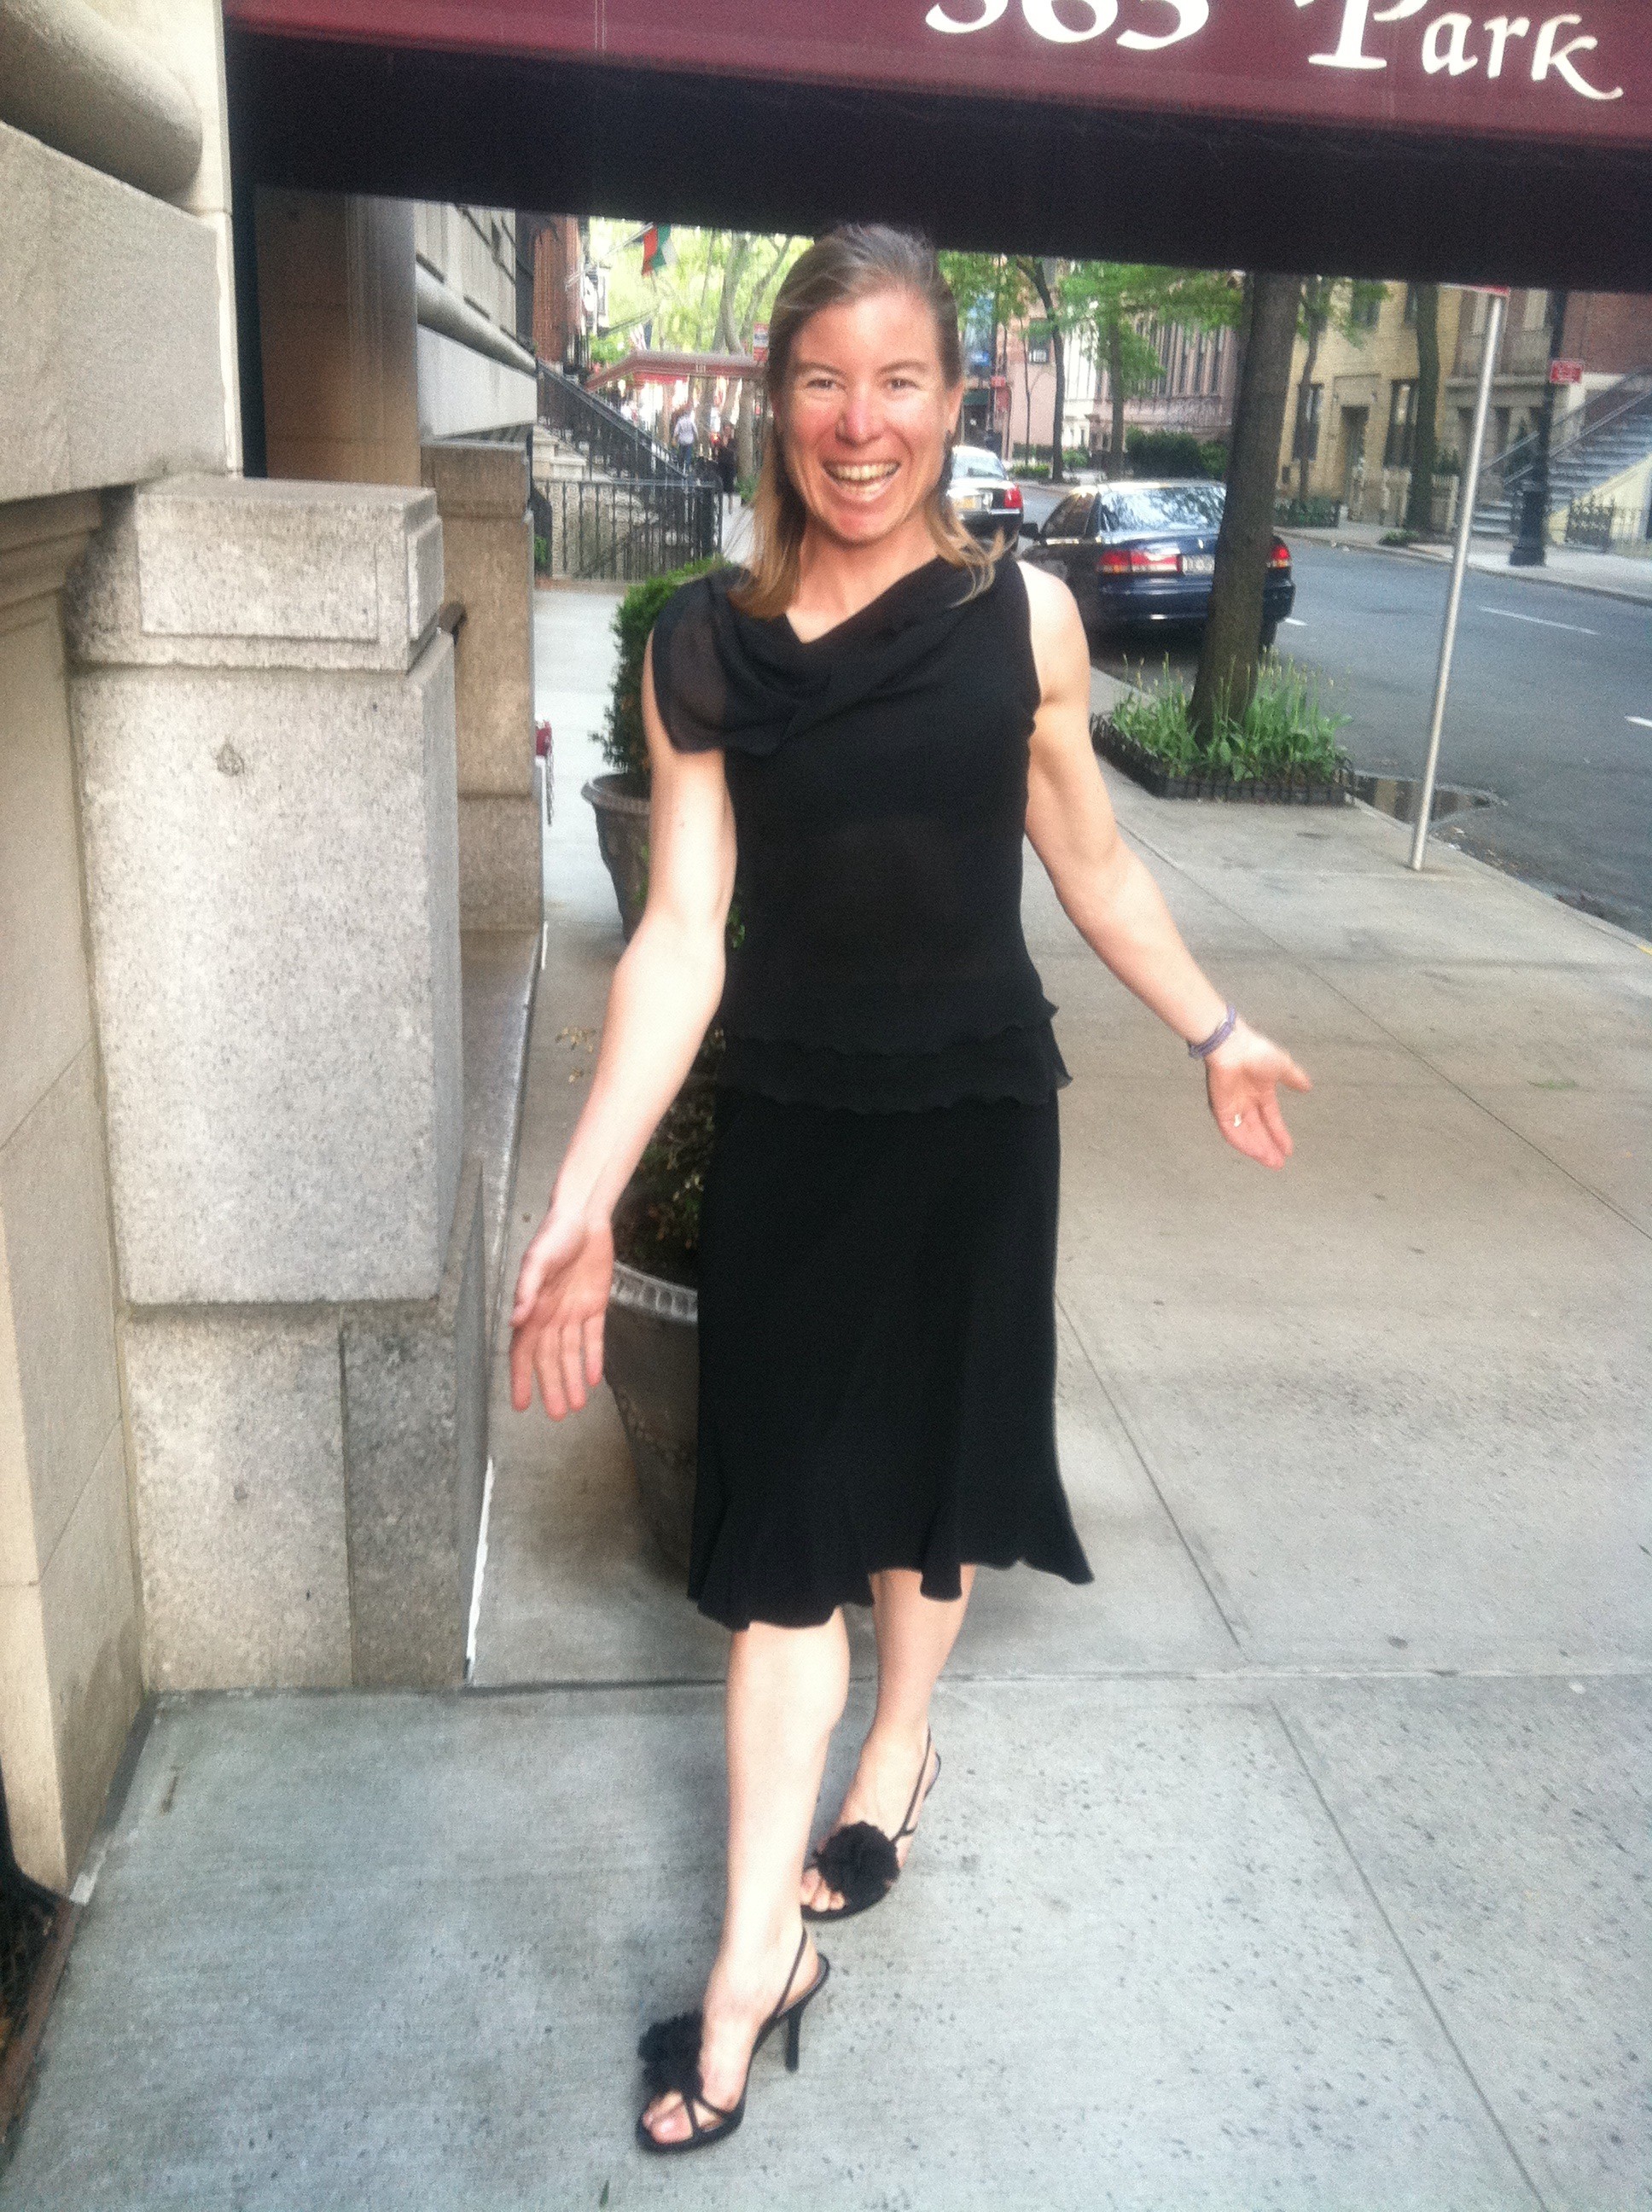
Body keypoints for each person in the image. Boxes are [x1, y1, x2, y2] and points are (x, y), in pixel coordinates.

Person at [509, 225, 1311, 2156]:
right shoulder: (698, 646)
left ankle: (899, 1748)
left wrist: (1213, 1028)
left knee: (928, 1480)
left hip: (970, 1116)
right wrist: (586, 1190)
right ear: (771, 403)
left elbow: (1091, 863)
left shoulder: (1024, 621)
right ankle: (753, 1959)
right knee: (785, 1528)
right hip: (793, 1125)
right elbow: (681, 935)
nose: (858, 424)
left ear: (954, 402)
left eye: (897, 383)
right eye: (821, 381)